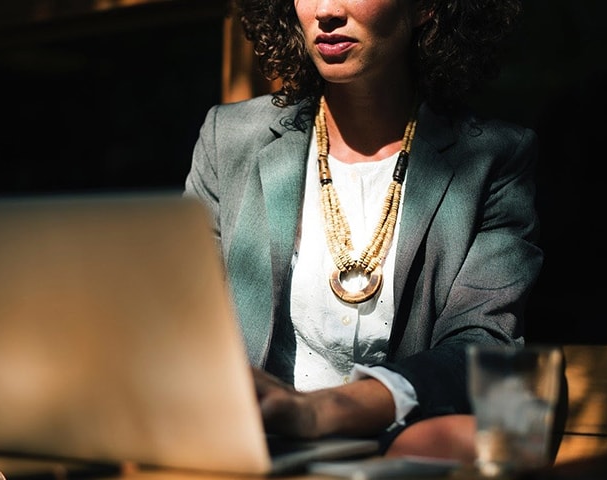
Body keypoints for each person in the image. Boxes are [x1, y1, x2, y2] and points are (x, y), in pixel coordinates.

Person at [184, 0, 541, 463]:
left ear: (425, 8)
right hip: (251, 451)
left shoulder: (494, 158)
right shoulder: (228, 139)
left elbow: (484, 346)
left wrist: (322, 411)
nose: (327, 10)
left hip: (406, 449)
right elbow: (187, 318)